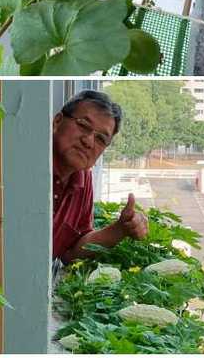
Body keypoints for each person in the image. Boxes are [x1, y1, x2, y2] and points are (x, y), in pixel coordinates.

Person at [52, 90, 149, 263]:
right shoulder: (31, 167)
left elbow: (72, 250)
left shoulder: (83, 177)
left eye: (101, 139)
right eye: (83, 125)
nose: (88, 141)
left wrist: (120, 229)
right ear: (57, 122)